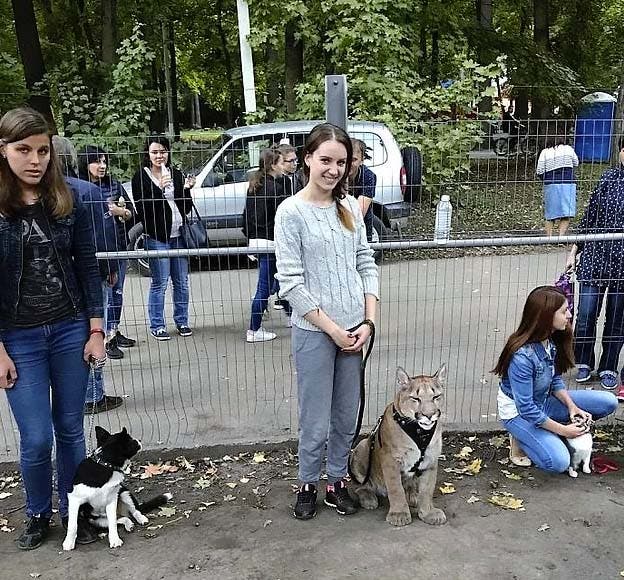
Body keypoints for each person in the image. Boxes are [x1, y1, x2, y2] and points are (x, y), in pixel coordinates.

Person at [0, 107, 106, 549]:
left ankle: (73, 512)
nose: (35, 159)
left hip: (69, 330)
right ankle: (38, 513)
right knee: (36, 436)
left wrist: (96, 330)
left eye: (43, 150)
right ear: (3, 151)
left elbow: (87, 266)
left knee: (70, 429)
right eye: (23, 149)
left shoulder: (69, 200)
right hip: (17, 338)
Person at [274, 123, 379, 519]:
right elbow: (291, 284)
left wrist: (367, 323)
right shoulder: (291, 213)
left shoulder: (350, 207)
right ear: (308, 160)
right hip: (316, 334)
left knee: (345, 415)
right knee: (314, 419)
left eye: (341, 162)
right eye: (326, 161)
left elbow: (365, 262)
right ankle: (307, 482)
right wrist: (333, 330)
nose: (334, 170)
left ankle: (336, 480)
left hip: (355, 331)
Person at [493, 286, 617, 473]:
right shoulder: (522, 356)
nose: (569, 315)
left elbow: (555, 379)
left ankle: (548, 432)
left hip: (543, 402)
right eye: (564, 311)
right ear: (546, 316)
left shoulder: (550, 339)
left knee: (608, 401)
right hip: (519, 414)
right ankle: (521, 438)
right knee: (557, 463)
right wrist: (564, 431)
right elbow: (526, 408)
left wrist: (572, 407)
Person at [53, 136, 123, 414]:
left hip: (55, 285)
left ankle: (76, 396)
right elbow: (101, 236)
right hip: (88, 275)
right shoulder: (87, 191)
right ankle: (93, 395)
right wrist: (110, 269)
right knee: (93, 331)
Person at [566, 137, 624, 391]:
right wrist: (574, 251)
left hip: (622, 265)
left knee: (617, 318)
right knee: (586, 314)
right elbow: (589, 218)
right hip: (594, 259)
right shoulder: (607, 180)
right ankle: (583, 362)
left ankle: (609, 366)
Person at [131, 136, 195, 341]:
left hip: (179, 235)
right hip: (157, 236)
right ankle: (157, 324)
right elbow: (143, 210)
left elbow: (184, 208)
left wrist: (186, 190)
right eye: (155, 152)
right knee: (160, 282)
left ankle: (182, 321)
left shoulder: (175, 173)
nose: (160, 156)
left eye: (163, 151)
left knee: (181, 281)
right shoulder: (140, 177)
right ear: (148, 154)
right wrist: (159, 188)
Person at [78, 145, 136, 359]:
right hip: (93, 252)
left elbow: (131, 214)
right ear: (86, 163)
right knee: (102, 296)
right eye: (97, 161)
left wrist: (120, 211)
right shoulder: (80, 188)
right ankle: (104, 338)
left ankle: (113, 330)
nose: (102, 166)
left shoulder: (113, 185)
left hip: (118, 247)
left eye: (104, 161)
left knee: (117, 292)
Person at [243, 148, 292, 342]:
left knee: (277, 279)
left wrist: (249, 236)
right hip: (270, 240)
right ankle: (254, 328)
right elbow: (281, 218)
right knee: (265, 286)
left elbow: (246, 214)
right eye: (281, 163)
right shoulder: (276, 188)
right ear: (273, 165)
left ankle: (290, 314)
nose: (284, 167)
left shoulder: (255, 184)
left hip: (256, 239)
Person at [536, 137, 579, 236]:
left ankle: (549, 237)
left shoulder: (545, 152)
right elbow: (576, 162)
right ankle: (561, 237)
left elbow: (540, 170)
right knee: (566, 213)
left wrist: (545, 178)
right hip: (568, 183)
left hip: (552, 183)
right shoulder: (568, 149)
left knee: (550, 213)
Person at [348, 138, 377, 242]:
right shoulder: (335, 173)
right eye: (345, 159)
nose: (348, 163)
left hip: (362, 225)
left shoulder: (368, 176)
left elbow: (359, 213)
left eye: (353, 160)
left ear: (362, 160)